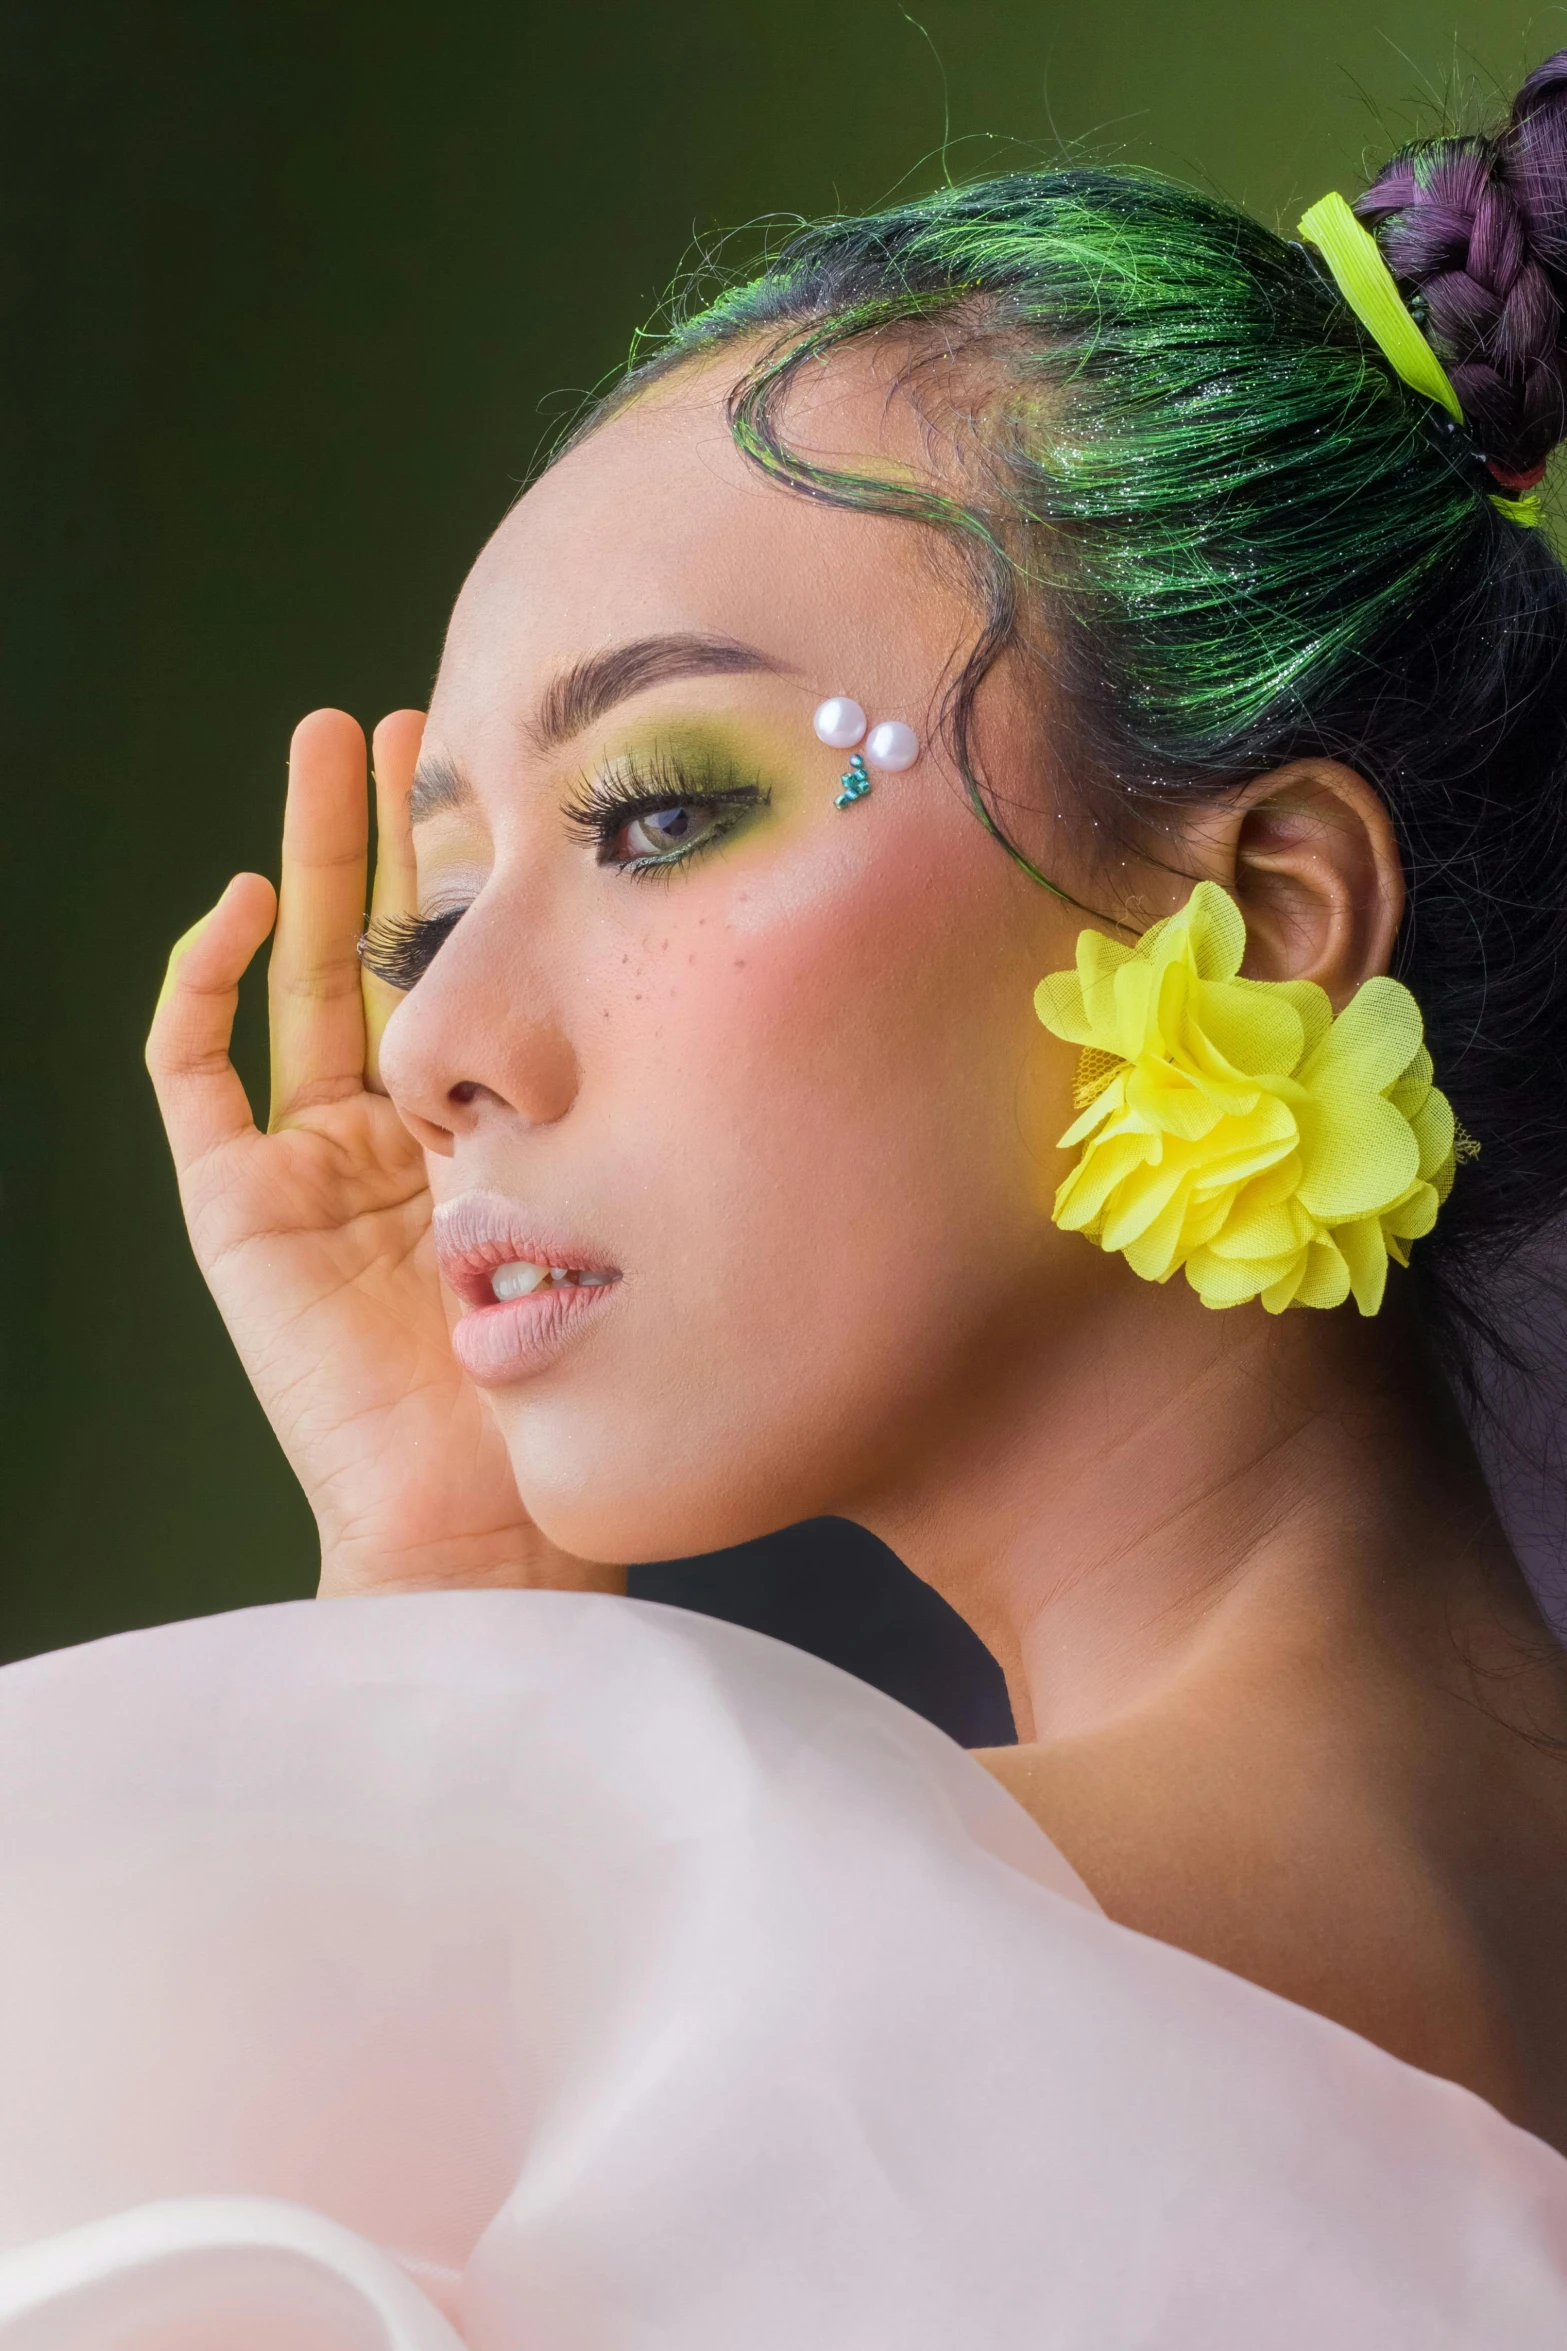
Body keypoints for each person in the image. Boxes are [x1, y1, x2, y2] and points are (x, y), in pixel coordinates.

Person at [8, 55, 1567, 2349]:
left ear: (1265, 908)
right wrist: (460, 1629)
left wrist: (437, 1762)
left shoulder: (731, 1986)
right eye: (427, 913)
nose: (435, 1044)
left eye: (653, 812)